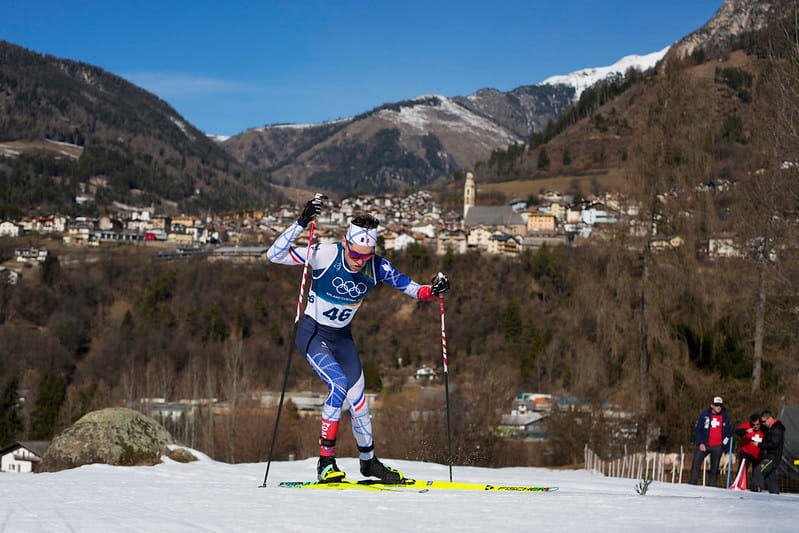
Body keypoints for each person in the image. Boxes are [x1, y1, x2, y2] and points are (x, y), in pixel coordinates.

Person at [267, 195, 450, 483]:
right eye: (354, 254)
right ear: (345, 242)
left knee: (360, 403)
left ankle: (369, 463)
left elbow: (414, 289)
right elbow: (273, 255)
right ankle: (326, 463)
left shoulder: (376, 266)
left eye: (365, 256)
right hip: (313, 334)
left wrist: (434, 290)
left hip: (342, 339)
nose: (358, 261)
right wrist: (301, 222)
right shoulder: (325, 254)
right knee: (338, 385)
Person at [688, 395, 732, 487]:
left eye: (720, 405)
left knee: (714, 468)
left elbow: (729, 433)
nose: (719, 407)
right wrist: (700, 442)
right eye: (716, 405)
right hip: (705, 444)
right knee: (696, 463)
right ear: (712, 405)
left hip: (718, 446)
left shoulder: (726, 417)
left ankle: (712, 487)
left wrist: (723, 445)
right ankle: (691, 485)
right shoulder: (704, 415)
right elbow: (698, 429)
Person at [751, 409, 786, 494]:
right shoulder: (769, 428)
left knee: (758, 471)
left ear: (770, 418)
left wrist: (759, 445)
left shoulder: (776, 429)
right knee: (770, 478)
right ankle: (775, 496)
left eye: (764, 421)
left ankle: (756, 493)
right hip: (768, 456)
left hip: (772, 457)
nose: (763, 424)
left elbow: (773, 444)